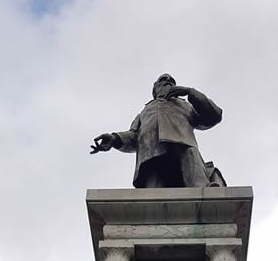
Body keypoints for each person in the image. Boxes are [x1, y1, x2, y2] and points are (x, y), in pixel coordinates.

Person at [90, 74, 223, 188]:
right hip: (152, 156)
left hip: (183, 148)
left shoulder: (186, 106)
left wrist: (190, 92)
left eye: (171, 80)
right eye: (163, 80)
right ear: (155, 89)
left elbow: (213, 116)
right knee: (151, 192)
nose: (168, 81)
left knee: (191, 154)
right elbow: (134, 136)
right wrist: (115, 139)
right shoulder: (145, 112)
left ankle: (205, 192)